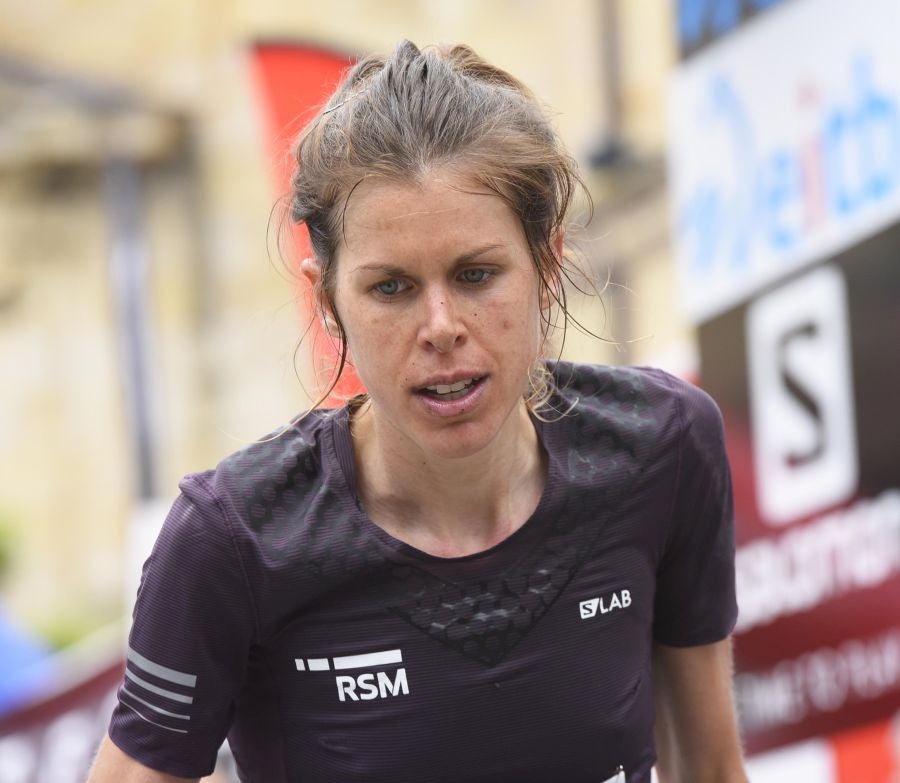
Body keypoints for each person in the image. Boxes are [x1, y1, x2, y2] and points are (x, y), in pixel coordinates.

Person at [88, 40, 748, 783]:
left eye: (476, 274)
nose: (440, 325)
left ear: (548, 265)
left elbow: (711, 769)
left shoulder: (662, 446)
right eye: (392, 288)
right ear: (328, 298)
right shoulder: (232, 539)